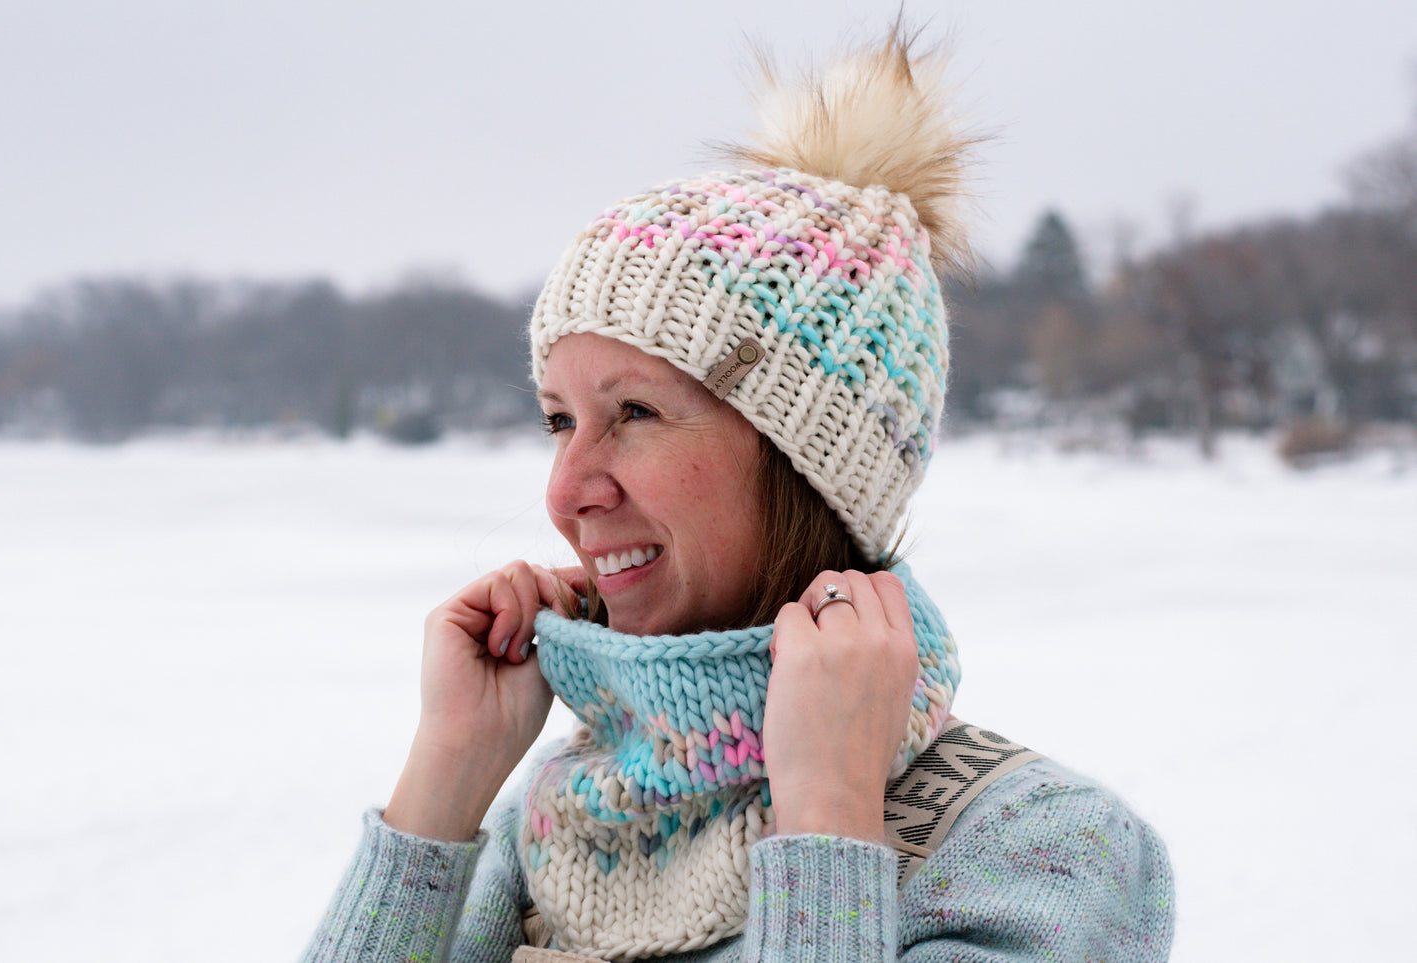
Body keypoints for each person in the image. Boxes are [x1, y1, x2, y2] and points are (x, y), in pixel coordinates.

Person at [303, 27, 1174, 963]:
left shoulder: (1047, 852)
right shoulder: (545, 828)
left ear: (812, 461)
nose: (567, 490)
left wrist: (831, 828)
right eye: (559, 419)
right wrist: (446, 776)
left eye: (634, 411)